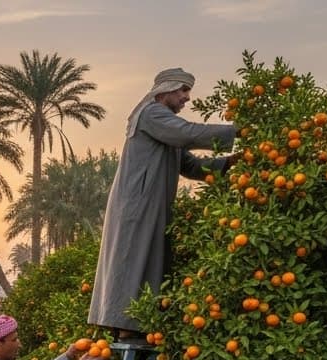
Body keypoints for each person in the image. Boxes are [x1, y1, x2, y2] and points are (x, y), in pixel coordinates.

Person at [88, 67, 238, 338]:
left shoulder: (166, 126)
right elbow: (188, 133)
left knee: (148, 260)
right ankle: (124, 327)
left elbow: (191, 166)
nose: (187, 98)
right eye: (183, 90)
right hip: (138, 204)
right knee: (133, 260)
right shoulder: (152, 114)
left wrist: (228, 163)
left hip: (150, 204)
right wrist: (236, 132)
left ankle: (134, 326)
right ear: (166, 89)